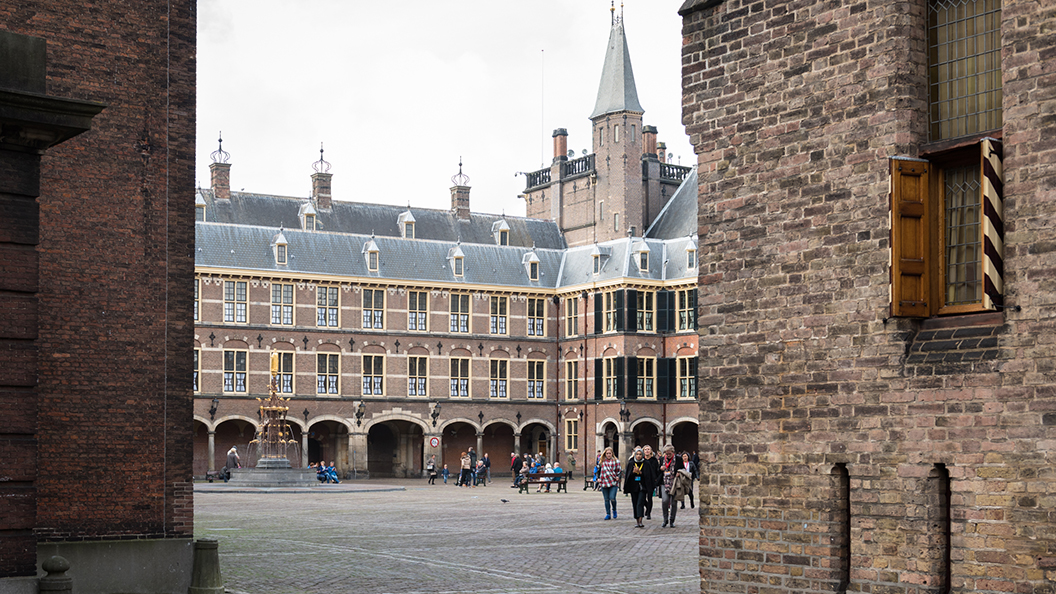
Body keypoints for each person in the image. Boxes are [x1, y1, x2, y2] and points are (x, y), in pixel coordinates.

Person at [623, 447, 657, 528]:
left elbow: (649, 476)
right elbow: (628, 476)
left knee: (640, 503)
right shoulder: (631, 463)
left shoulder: (646, 463)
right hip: (633, 487)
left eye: (640, 454)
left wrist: (640, 472)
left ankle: (641, 520)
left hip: (642, 487)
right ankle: (637, 520)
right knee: (635, 503)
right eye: (637, 454)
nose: (638, 456)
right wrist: (633, 472)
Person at [597, 447, 621, 520]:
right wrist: (598, 478)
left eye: (610, 453)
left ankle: (614, 509)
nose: (608, 455)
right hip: (604, 482)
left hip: (613, 482)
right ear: (605, 454)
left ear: (612, 454)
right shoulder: (602, 462)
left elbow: (619, 471)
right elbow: (598, 471)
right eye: (607, 453)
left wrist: (618, 477)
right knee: (606, 499)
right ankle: (608, 514)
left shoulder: (616, 461)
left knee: (612, 498)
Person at [659, 445, 678, 527]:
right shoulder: (662, 459)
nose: (668, 455)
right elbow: (657, 471)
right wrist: (660, 469)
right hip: (664, 482)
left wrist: (679, 472)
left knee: (673, 502)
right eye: (666, 453)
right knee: (665, 500)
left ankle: (672, 520)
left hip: (675, 483)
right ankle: (665, 519)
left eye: (669, 453)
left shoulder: (678, 459)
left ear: (672, 452)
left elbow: (682, 469)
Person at [641, 445, 661, 520]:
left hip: (651, 481)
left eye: (648, 449)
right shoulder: (642, 460)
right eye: (645, 449)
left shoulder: (654, 460)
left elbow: (656, 470)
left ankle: (648, 512)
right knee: (642, 497)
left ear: (651, 451)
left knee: (649, 497)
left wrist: (656, 479)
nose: (647, 451)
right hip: (643, 481)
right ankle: (647, 506)